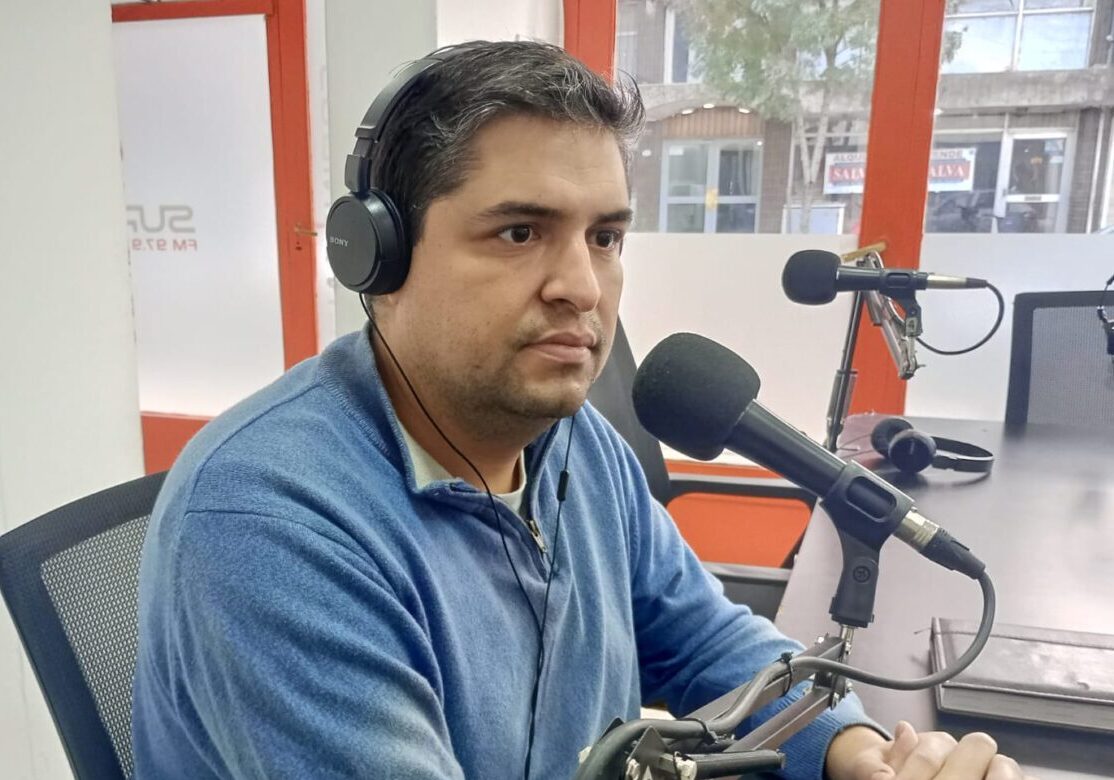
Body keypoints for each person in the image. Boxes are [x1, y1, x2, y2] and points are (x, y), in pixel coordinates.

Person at [131, 40, 1032, 780]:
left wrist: (857, 754)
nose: (583, 288)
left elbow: (704, 641)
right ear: (378, 255)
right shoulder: (269, 524)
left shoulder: (573, 445)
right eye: (520, 232)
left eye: (605, 237)